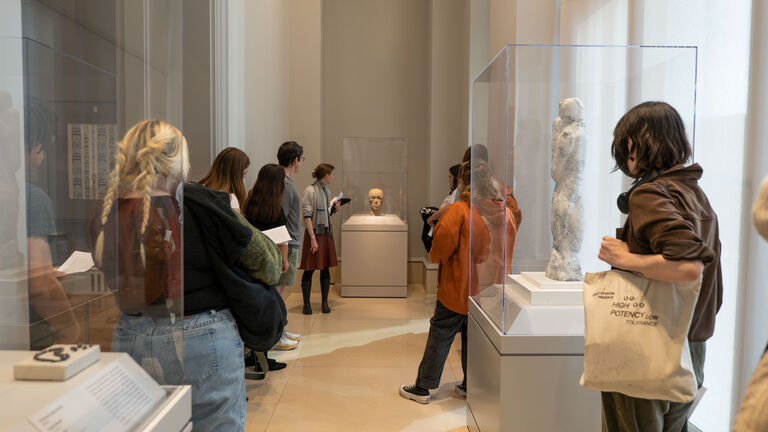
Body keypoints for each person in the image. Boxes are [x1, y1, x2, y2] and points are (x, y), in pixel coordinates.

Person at [92, 120, 283, 430]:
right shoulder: (204, 202)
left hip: (131, 335)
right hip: (201, 335)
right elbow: (269, 263)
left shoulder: (111, 208)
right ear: (178, 160)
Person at [597, 101, 722, 432]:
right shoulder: (696, 193)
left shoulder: (649, 194)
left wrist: (624, 258)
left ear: (630, 145)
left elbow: (689, 266)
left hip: (649, 347)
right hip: (692, 348)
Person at [399, 160, 492, 404]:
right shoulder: (481, 213)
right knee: (471, 338)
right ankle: (470, 385)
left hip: (454, 286)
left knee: (440, 333)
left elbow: (439, 249)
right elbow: (483, 253)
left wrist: (438, 256)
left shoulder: (457, 210)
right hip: (476, 289)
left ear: (461, 180)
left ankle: (423, 387)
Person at [24, 96, 80, 348]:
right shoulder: (32, 198)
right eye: (43, 143)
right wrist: (69, 329)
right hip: (28, 328)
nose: (44, 153)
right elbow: (39, 285)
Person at [242, 163, 294, 365]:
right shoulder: (276, 209)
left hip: (250, 262)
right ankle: (264, 355)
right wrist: (285, 262)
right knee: (271, 308)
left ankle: (252, 354)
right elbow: (282, 240)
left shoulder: (249, 203)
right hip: (269, 263)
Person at [300, 163, 341, 314]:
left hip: (326, 232)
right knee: (310, 269)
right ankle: (306, 304)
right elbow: (307, 216)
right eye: (332, 174)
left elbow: (325, 215)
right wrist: (312, 238)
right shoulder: (310, 191)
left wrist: (333, 210)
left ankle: (324, 303)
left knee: (325, 268)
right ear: (325, 175)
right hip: (314, 233)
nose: (333, 177)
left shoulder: (326, 191)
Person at [199, 147, 250, 213]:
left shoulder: (198, 188)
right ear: (235, 174)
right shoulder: (231, 199)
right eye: (244, 174)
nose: (243, 178)